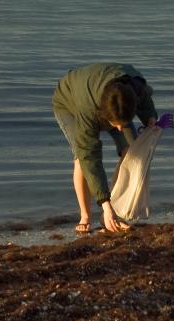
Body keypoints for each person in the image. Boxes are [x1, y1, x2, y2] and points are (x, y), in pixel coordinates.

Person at [52, 63, 158, 233]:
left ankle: (114, 211)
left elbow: (145, 101)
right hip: (70, 103)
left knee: (133, 152)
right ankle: (86, 215)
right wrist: (104, 201)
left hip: (114, 99)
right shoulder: (87, 111)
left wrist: (151, 119)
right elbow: (90, 158)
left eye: (122, 125)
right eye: (115, 125)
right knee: (81, 159)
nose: (119, 129)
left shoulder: (135, 86)